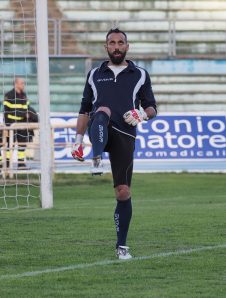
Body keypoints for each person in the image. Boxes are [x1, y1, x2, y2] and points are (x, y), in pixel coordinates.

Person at [71, 28, 157, 259]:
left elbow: (152, 107)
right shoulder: (94, 74)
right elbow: (84, 110)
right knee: (102, 111)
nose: (116, 46)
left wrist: (142, 115)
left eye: (121, 43)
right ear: (106, 46)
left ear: (127, 47)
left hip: (125, 136)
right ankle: (96, 158)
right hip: (99, 128)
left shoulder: (140, 74)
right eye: (112, 43)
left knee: (123, 192)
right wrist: (78, 141)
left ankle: (122, 247)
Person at [3, 77, 38, 169]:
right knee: (9, 145)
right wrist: (7, 127)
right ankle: (6, 165)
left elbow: (28, 108)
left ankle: (21, 164)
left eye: (24, 83)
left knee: (22, 145)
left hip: (22, 125)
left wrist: (32, 115)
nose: (23, 85)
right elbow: (7, 113)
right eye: (22, 83)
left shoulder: (24, 95)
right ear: (16, 84)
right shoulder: (9, 95)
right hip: (11, 125)